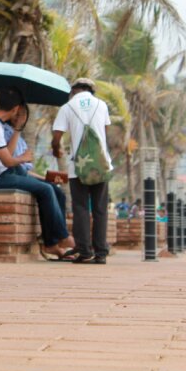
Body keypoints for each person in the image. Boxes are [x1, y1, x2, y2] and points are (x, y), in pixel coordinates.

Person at [0, 86, 73, 260]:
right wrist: (24, 157)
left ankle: (52, 243)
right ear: (16, 108)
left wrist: (18, 130)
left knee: (55, 190)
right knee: (46, 190)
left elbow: (8, 156)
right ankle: (62, 237)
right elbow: (9, 161)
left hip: (5, 172)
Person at [52, 78, 112, 265]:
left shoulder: (67, 107)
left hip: (77, 167)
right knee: (100, 209)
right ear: (91, 91)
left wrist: (56, 150)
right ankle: (101, 253)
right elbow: (105, 131)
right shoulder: (101, 105)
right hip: (101, 164)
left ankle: (85, 252)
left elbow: (57, 136)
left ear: (74, 91)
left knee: (81, 209)